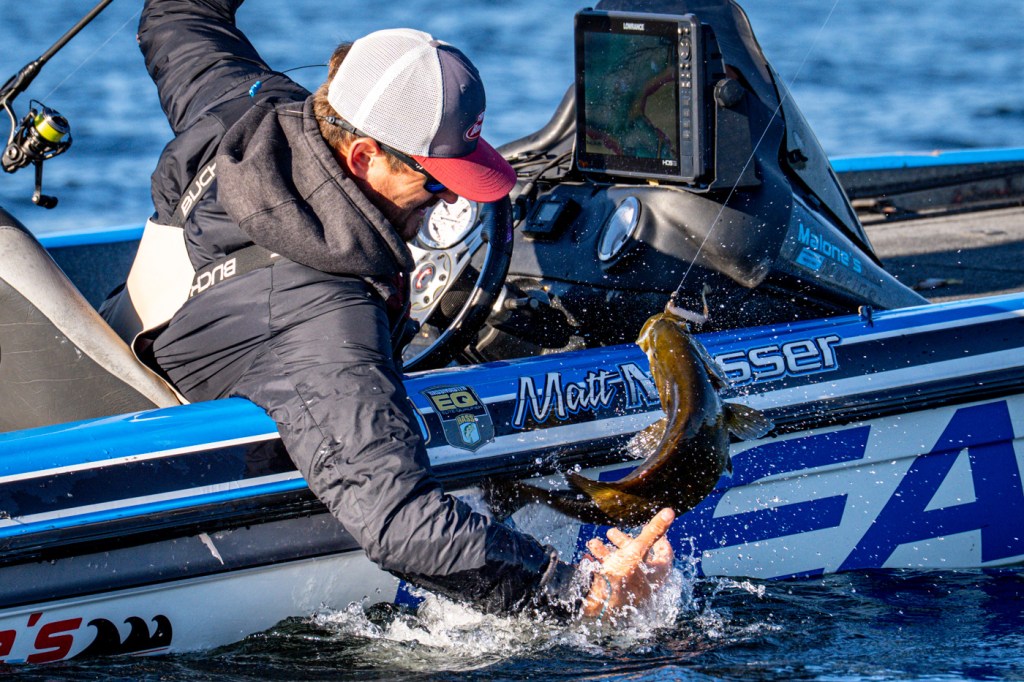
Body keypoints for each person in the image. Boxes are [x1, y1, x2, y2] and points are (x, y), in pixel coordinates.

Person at [103, 0, 676, 619]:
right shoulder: (323, 320)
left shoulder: (251, 111)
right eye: (436, 181)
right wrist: (583, 594)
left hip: (115, 365)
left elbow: (179, 16)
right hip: (140, 494)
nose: (450, 201)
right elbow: (403, 526)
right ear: (362, 157)